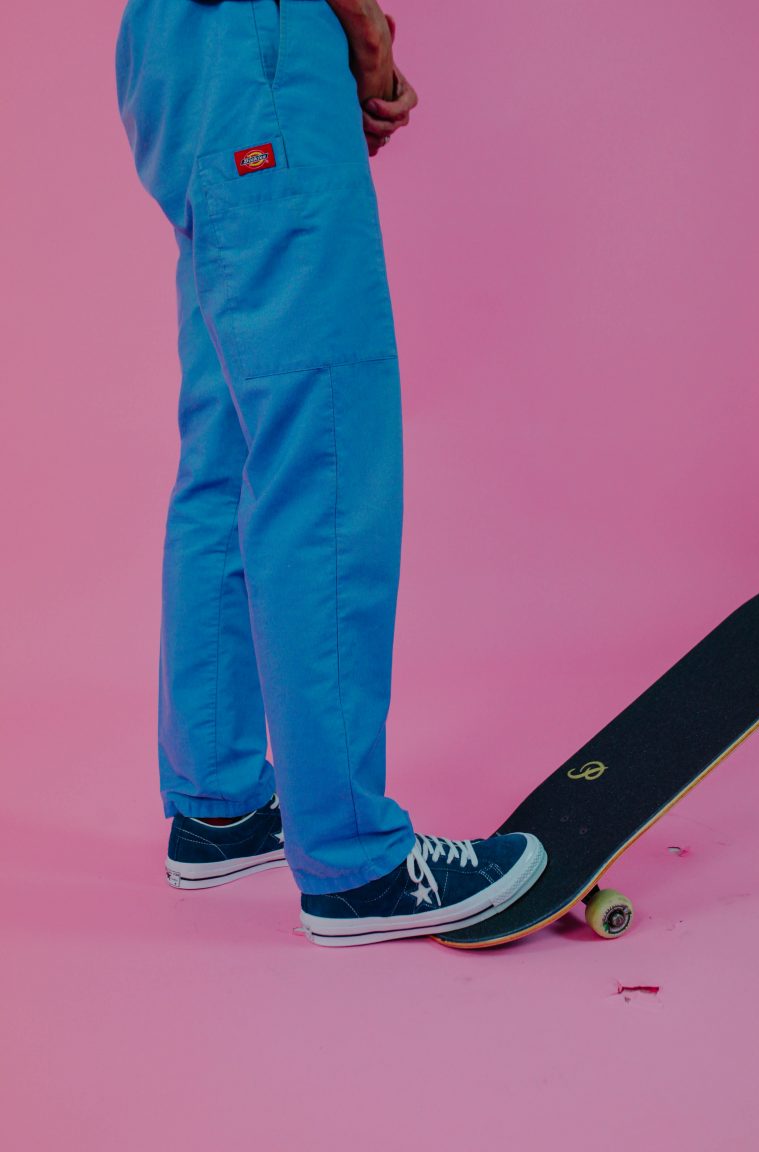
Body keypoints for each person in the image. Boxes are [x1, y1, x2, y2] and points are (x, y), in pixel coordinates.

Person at [114, 0, 546, 946]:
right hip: (261, 42)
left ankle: (220, 806)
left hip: (170, 52)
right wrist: (365, 35)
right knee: (323, 444)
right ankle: (355, 861)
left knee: (231, 442)